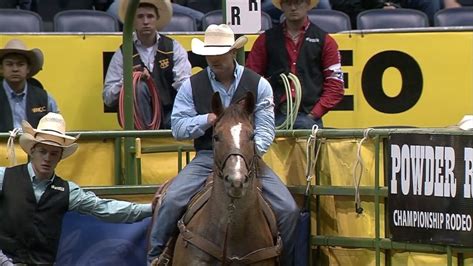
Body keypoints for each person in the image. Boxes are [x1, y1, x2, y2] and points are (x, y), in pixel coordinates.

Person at [147, 24, 299, 266]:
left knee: (289, 210)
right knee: (172, 200)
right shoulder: (191, 86)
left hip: (249, 157)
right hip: (207, 156)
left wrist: (244, 155)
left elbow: (266, 127)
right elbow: (177, 127)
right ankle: (156, 257)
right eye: (210, 53)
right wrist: (205, 120)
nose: (214, 58)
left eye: (219, 53)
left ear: (233, 53)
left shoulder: (258, 84)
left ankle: (287, 261)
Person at [0, 112, 153, 265]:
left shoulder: (67, 191)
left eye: (54, 154)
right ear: (32, 151)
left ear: (60, 157)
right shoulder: (4, 177)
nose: (47, 158)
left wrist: (152, 208)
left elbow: (106, 209)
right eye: (43, 151)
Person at [246, 0, 344, 129]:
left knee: (304, 126)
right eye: (288, 3)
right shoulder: (265, 39)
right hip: (274, 114)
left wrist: (314, 114)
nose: (293, 7)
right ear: (282, 6)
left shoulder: (325, 41)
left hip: (308, 116)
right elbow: (251, 79)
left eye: (298, 2)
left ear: (308, 4)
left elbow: (335, 84)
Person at [103, 0, 192, 129]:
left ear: (157, 19)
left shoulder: (174, 47)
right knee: (138, 87)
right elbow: (108, 98)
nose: (145, 21)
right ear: (133, 21)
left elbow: (184, 85)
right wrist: (127, 79)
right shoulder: (123, 52)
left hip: (171, 115)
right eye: (140, 17)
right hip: (139, 121)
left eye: (150, 16)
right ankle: (145, 135)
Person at [0, 39, 59, 132]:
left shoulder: (45, 98)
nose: (15, 69)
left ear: (28, 69)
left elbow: (56, 131)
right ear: (1, 69)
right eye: (9, 64)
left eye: (20, 64)